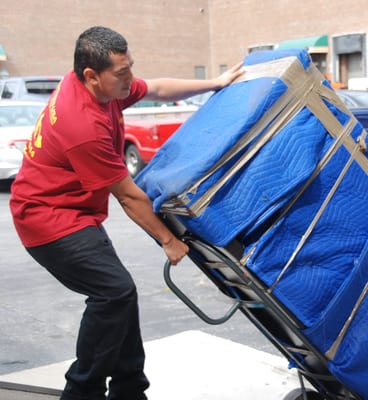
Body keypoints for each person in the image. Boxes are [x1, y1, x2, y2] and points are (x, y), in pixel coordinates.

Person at [9, 26, 243, 400]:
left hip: (74, 213)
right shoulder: (82, 124)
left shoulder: (102, 88)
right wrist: (168, 241)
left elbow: (158, 89)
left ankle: (129, 390)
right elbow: (128, 197)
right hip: (46, 218)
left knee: (119, 294)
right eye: (122, 73)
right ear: (91, 75)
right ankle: (81, 391)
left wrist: (215, 83)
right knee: (113, 293)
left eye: (129, 67)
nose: (130, 79)